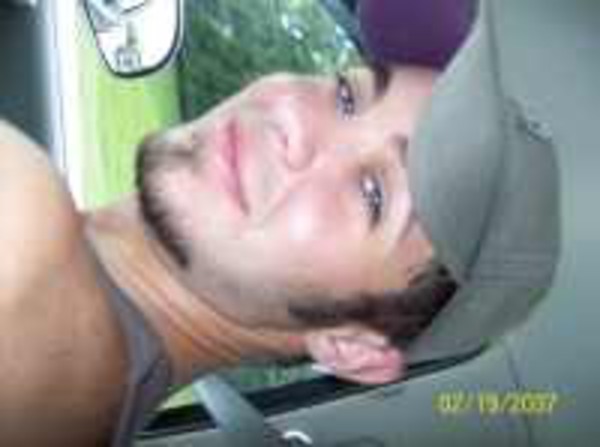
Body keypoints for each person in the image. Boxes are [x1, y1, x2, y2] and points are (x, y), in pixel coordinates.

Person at [3, 0, 559, 445]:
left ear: (349, 346)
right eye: (348, 96)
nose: (292, 119)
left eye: (373, 194)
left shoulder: (25, 237)